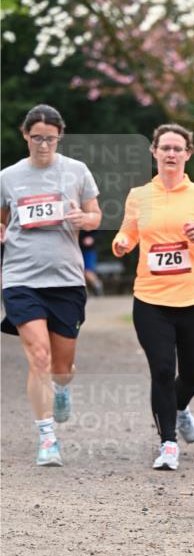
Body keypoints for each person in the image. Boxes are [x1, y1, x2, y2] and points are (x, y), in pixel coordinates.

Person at [112, 123, 194, 470]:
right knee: (163, 370)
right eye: (164, 147)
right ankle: (167, 443)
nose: (170, 154)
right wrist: (121, 243)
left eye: (177, 148)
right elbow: (127, 234)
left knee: (193, 374)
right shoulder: (139, 196)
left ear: (188, 154)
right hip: (150, 299)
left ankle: (180, 408)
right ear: (154, 152)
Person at [0, 104, 102, 466]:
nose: (44, 145)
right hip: (21, 279)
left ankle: (61, 389)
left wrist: (83, 217)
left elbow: (96, 216)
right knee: (38, 356)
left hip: (65, 280)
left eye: (51, 139)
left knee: (62, 366)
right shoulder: (8, 177)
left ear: (60, 137)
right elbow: (2, 220)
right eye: (37, 137)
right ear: (25, 135)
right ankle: (47, 437)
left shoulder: (76, 171)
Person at [80, 229, 104, 296]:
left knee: (88, 271)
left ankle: (97, 285)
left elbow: (98, 233)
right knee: (80, 272)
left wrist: (92, 238)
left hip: (88, 249)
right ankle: (84, 292)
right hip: (76, 249)